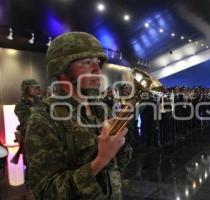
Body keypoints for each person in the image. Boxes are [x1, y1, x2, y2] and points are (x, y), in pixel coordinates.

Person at [24, 32, 130, 199]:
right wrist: (100, 160)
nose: (97, 70)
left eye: (97, 63)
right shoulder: (44, 118)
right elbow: (46, 191)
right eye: (87, 63)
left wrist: (120, 145)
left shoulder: (100, 108)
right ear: (62, 67)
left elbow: (117, 166)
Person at [11, 79, 40, 164]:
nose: (35, 89)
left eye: (36, 87)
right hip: (30, 138)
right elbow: (26, 121)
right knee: (31, 164)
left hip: (42, 136)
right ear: (25, 89)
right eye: (32, 87)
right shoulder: (20, 105)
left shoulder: (40, 101)